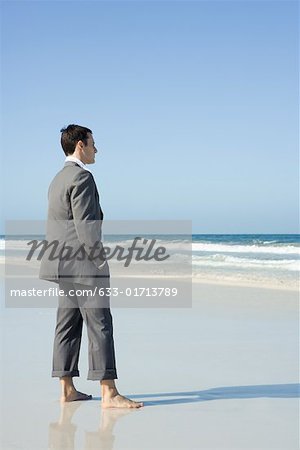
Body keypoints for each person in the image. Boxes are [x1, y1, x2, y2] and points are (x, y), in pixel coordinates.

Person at [39, 124, 143, 408]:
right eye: (93, 143)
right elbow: (87, 226)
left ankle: (67, 389)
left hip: (61, 263)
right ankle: (109, 392)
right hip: (83, 266)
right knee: (100, 325)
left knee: (67, 326)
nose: (97, 149)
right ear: (80, 146)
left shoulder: (57, 179)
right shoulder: (82, 177)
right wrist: (98, 259)